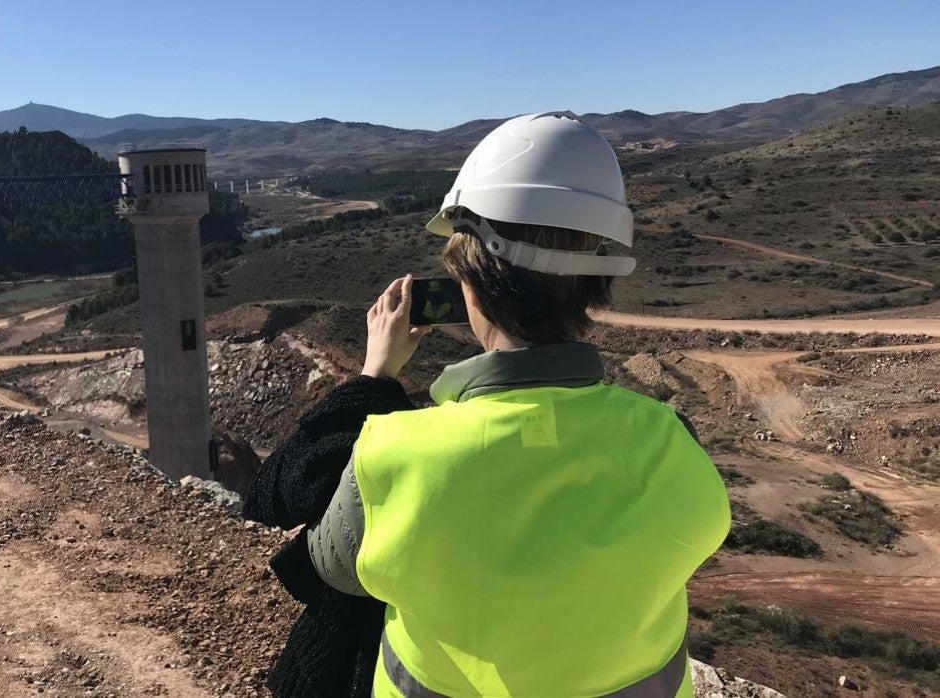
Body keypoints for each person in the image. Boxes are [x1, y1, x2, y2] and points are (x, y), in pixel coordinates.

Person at [245, 112, 730, 697]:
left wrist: (373, 378)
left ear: (472, 285)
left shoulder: (398, 451)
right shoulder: (669, 441)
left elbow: (324, 563)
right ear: (598, 281)